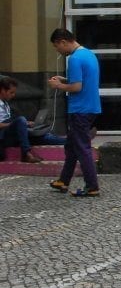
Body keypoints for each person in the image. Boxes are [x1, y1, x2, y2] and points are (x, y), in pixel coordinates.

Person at [48, 29, 102, 197]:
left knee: (82, 148)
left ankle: (92, 186)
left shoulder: (74, 59)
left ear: (63, 42)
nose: (58, 51)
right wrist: (64, 79)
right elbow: (84, 80)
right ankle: (63, 180)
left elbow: (76, 87)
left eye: (57, 46)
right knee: (71, 146)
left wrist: (58, 86)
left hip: (80, 109)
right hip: (91, 106)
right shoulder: (88, 54)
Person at [0, 76, 44, 163]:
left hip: (13, 134)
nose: (13, 95)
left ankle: (68, 141)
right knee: (21, 119)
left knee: (40, 136)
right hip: (3, 136)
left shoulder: (6, 103)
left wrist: (24, 124)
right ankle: (26, 154)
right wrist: (16, 124)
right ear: (2, 90)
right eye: (11, 92)